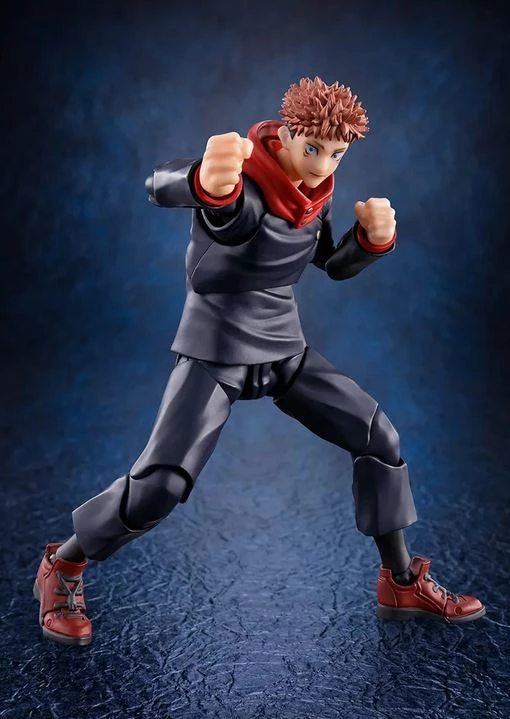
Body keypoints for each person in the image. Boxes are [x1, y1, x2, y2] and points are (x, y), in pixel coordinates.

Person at [34, 76, 485, 646]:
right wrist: (204, 181)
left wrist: (370, 241)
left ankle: (400, 581)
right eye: (313, 149)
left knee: (379, 439)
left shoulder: (312, 196)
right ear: (288, 134)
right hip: (217, 349)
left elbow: (331, 263)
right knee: (160, 485)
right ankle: (64, 564)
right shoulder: (243, 186)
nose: (322, 166)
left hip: (283, 349)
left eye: (336, 155)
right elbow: (169, 187)